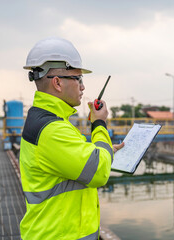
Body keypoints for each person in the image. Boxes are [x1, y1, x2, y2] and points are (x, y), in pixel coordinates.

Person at [20, 37, 124, 240]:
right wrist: (99, 124)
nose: (83, 87)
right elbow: (99, 172)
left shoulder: (47, 120)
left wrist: (106, 151)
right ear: (58, 82)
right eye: (79, 79)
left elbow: (79, 161)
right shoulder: (52, 130)